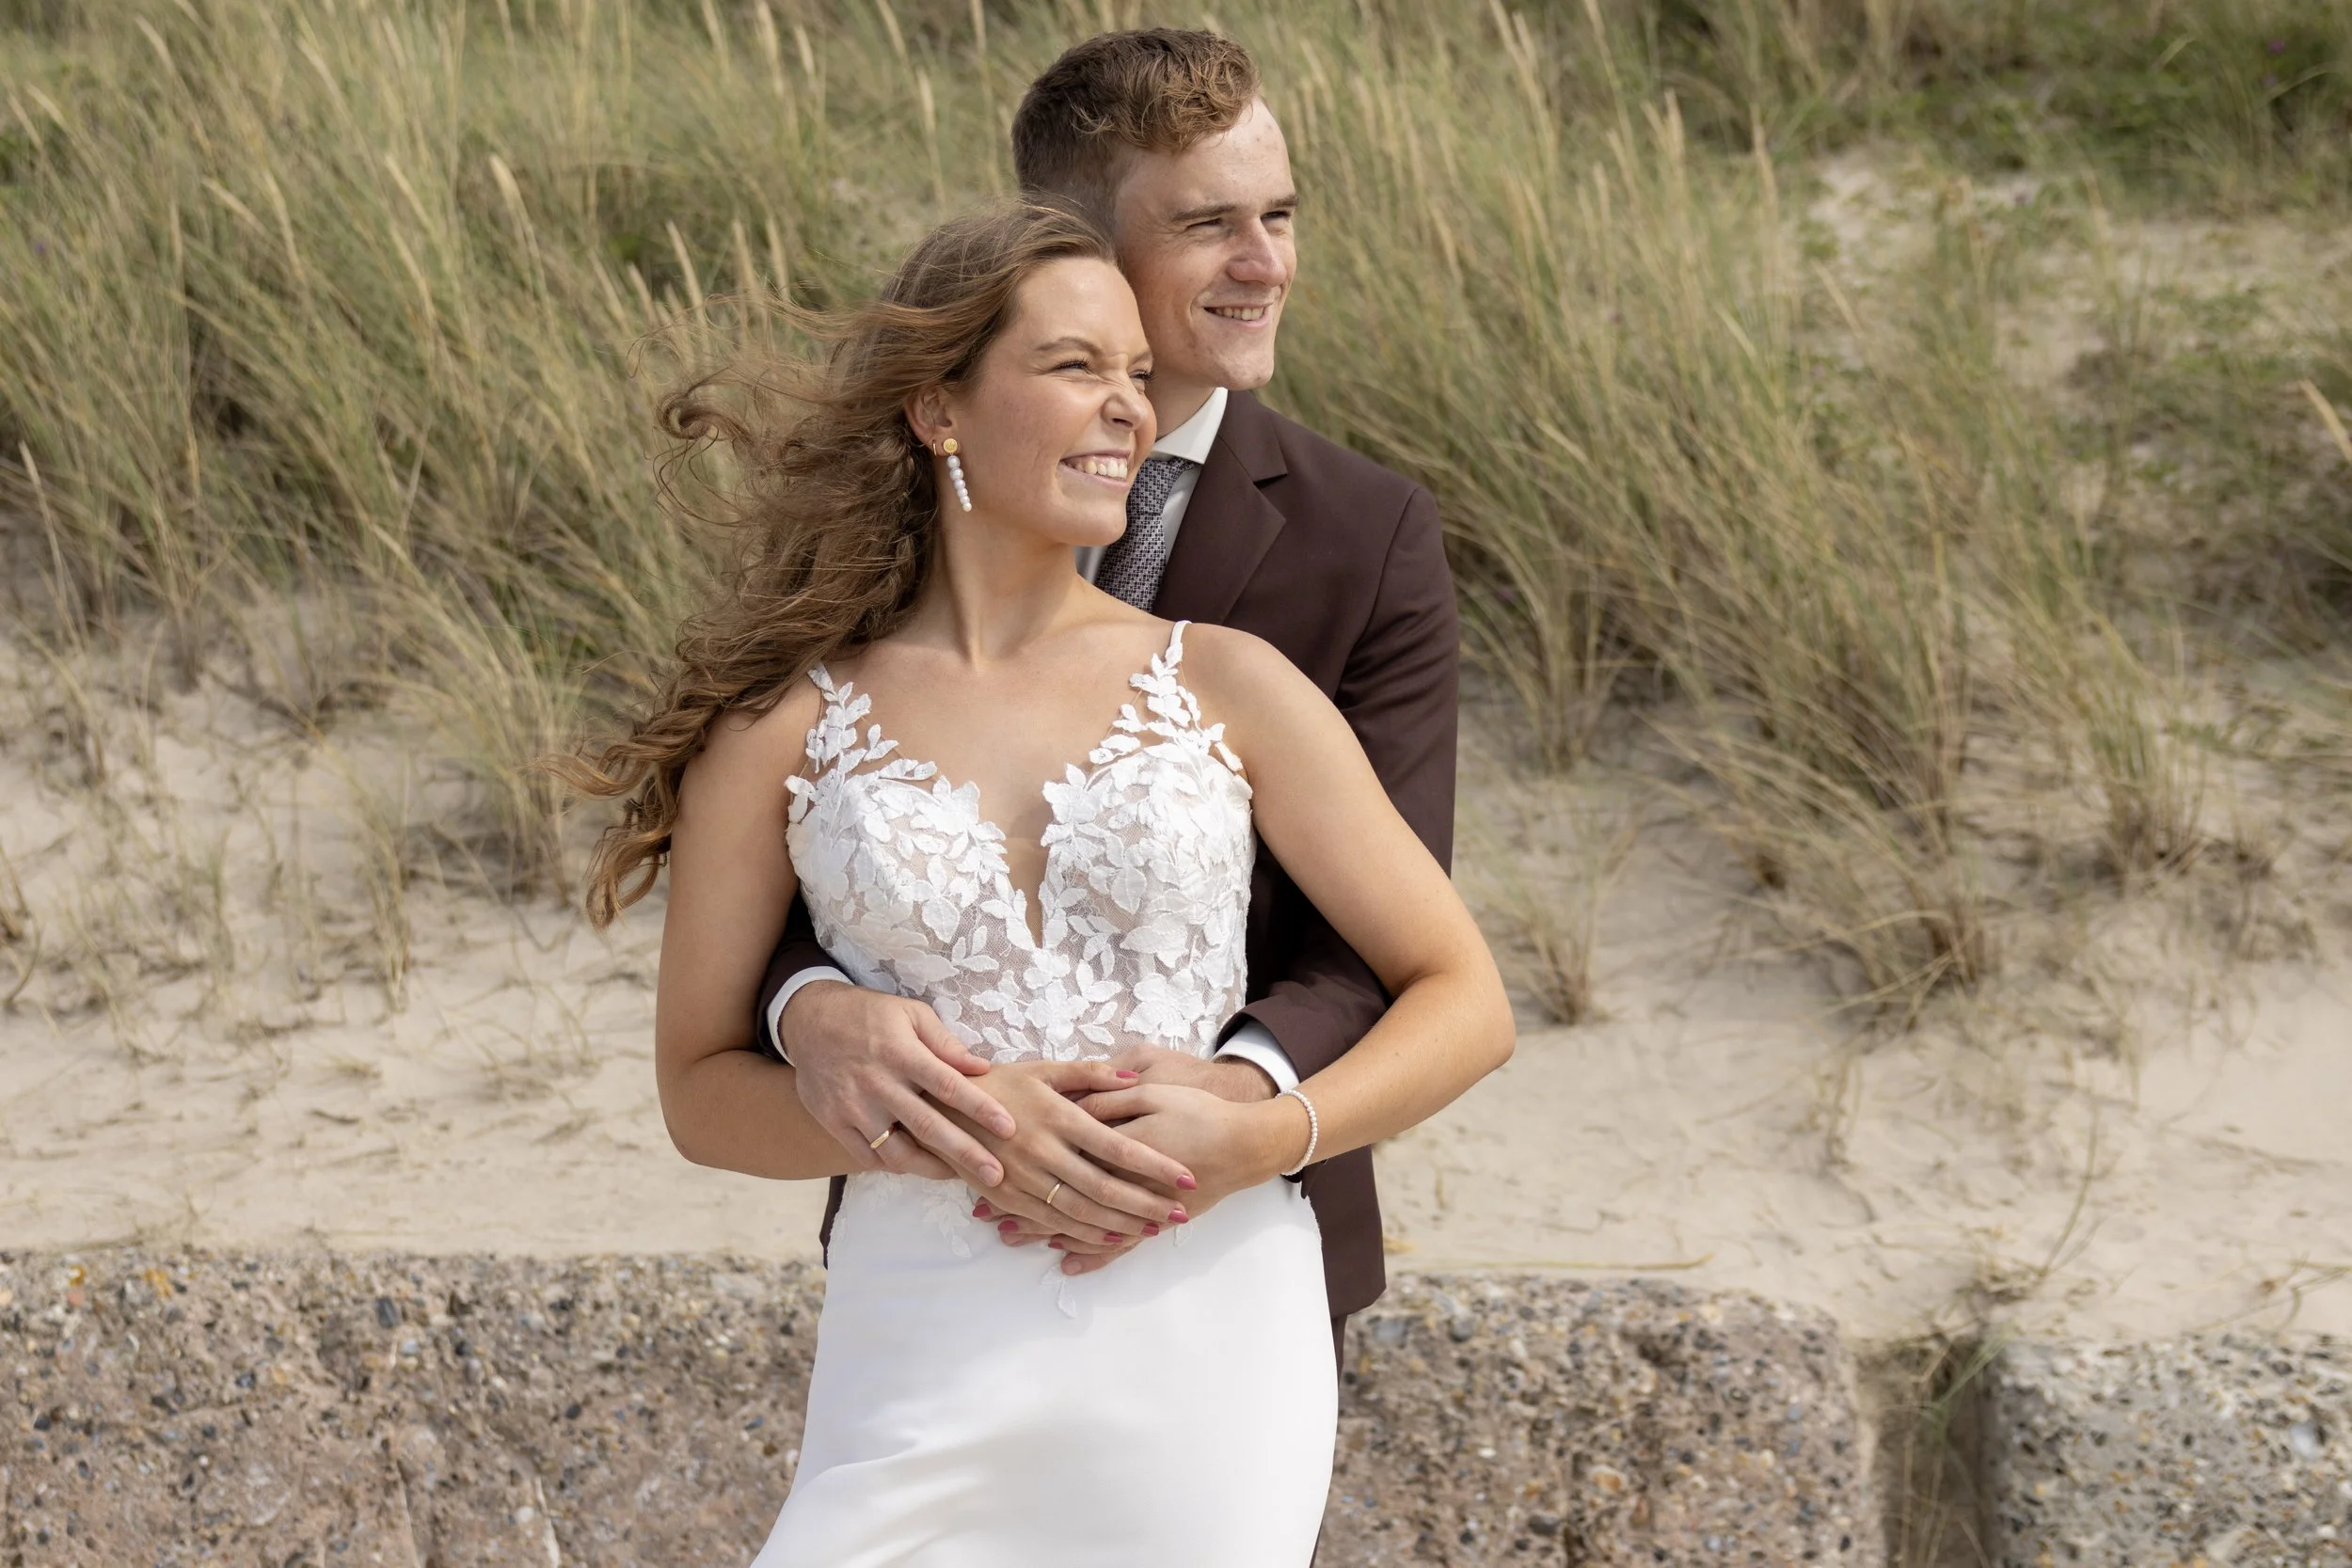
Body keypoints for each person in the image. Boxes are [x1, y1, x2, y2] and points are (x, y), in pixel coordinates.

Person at [564, 198, 1512, 1564]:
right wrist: (946, 1121)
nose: (1128, 406)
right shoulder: (782, 725)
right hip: (923, 1339)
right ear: (939, 408)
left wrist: (1263, 1138)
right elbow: (700, 1092)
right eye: (1076, 367)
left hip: (1205, 1325)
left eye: (1137, 372)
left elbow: (1466, 998)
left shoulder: (1229, 683)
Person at [750, 27, 1462, 1365]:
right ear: (1067, 237)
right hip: (937, 1254)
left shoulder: (1365, 537)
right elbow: (788, 852)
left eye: (1281, 216)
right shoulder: (880, 523)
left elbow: (1397, 926)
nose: (1266, 265)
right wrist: (816, 1010)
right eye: (1209, 225)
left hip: (1232, 1236)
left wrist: (1235, 1105)